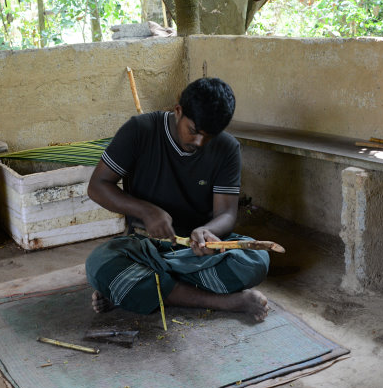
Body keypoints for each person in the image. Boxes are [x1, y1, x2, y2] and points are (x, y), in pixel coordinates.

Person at [85, 77, 270, 321]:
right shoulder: (140, 130)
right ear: (178, 110)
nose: (199, 143)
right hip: (144, 247)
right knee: (99, 263)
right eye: (193, 131)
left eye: (209, 136)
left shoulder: (227, 148)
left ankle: (140, 289)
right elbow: (97, 186)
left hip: (193, 254)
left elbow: (226, 214)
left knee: (256, 259)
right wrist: (147, 211)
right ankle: (226, 302)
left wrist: (207, 231)